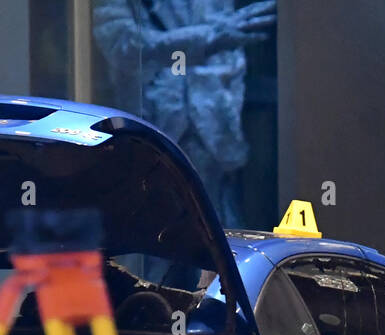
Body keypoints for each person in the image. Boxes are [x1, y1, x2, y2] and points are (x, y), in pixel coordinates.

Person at [92, 0, 276, 224]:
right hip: (152, 131)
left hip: (215, 132)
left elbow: (230, 49)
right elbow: (122, 44)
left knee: (221, 229)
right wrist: (208, 37)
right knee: (154, 232)